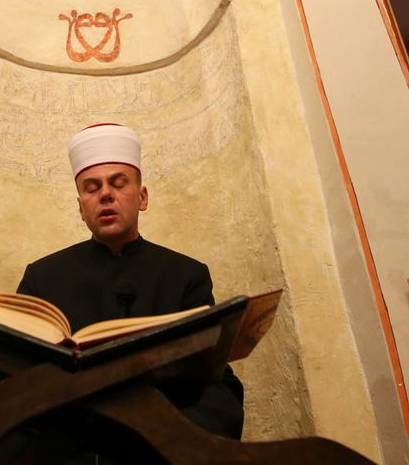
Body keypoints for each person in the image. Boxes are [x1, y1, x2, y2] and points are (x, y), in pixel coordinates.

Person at [14, 123, 245, 441]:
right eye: (91, 188)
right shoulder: (42, 277)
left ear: (142, 197)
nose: (105, 194)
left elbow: (211, 380)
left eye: (118, 183)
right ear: (81, 207)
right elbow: (11, 380)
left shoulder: (185, 276)